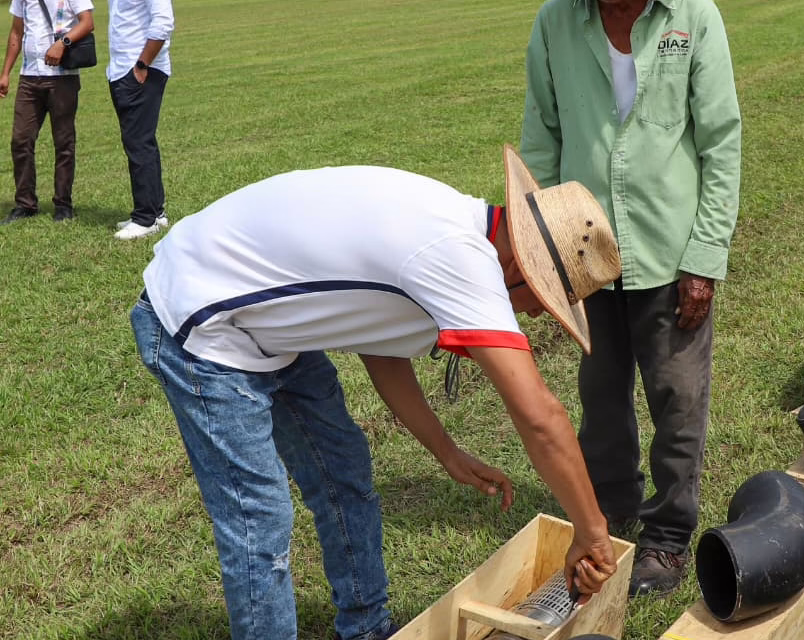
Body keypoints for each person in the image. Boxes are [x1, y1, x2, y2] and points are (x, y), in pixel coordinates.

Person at [129, 146, 622, 640]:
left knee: (344, 468)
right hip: (201, 320)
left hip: (265, 324)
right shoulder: (460, 257)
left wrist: (446, 452)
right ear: (520, 267)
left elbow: (381, 347)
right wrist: (592, 531)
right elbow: (541, 417)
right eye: (542, 301)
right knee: (260, 518)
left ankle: (366, 630)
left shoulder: (456, 225)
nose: (535, 316)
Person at [521, 0, 742, 597]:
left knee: (678, 399)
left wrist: (702, 259)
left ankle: (667, 538)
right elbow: (542, 134)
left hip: (670, 253)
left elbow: (721, 141)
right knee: (600, 392)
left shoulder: (694, 16)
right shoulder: (556, 21)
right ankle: (611, 508)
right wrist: (542, 244)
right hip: (584, 250)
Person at [0, 0, 93, 224]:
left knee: (63, 143)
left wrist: (63, 43)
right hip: (29, 77)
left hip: (62, 79)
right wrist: (5, 73)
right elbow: (16, 32)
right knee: (20, 140)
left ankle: (63, 205)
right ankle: (25, 204)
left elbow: (87, 22)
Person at [106, 0, 171, 239]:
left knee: (138, 144)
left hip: (141, 70)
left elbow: (164, 22)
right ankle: (155, 212)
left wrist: (142, 64)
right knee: (143, 142)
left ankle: (145, 218)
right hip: (123, 69)